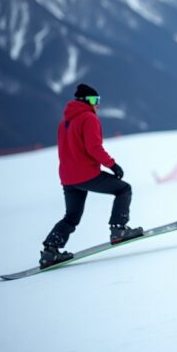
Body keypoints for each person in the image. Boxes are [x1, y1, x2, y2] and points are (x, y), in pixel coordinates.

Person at [39, 83, 143, 268]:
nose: (98, 105)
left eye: (98, 100)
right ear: (85, 101)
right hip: (86, 175)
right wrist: (113, 165)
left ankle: (50, 251)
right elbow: (93, 147)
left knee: (71, 217)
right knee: (124, 189)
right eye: (95, 100)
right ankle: (118, 229)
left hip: (68, 178)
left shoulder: (65, 123)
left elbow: (65, 151)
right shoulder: (88, 118)